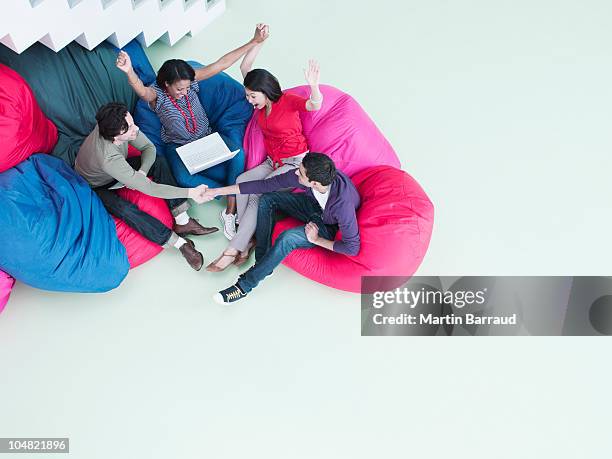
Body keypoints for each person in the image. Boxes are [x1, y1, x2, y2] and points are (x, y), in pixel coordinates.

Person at [115, 23, 270, 240]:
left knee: (238, 154)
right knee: (182, 179)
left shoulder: (191, 82)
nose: (185, 92)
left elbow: (221, 64)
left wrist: (254, 41)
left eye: (188, 87)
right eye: (180, 89)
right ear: (166, 84)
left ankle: (231, 210)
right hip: (179, 147)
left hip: (208, 138)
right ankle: (230, 198)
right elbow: (139, 88)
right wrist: (129, 71)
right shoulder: (156, 96)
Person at [205, 52, 323, 272]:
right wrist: (257, 42)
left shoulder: (286, 100)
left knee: (257, 194)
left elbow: (314, 105)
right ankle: (247, 237)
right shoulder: (261, 106)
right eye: (247, 95)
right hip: (273, 161)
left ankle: (232, 250)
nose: (249, 101)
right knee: (242, 180)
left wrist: (314, 86)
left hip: (295, 164)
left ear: (265, 91)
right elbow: (246, 67)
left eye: (252, 96)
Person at [75, 102, 217, 271]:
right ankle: (179, 244)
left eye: (132, 122)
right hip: (98, 185)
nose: (135, 130)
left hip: (117, 166)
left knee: (159, 161)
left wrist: (142, 171)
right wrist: (191, 192)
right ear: (115, 138)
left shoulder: (116, 124)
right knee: (125, 210)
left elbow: (149, 147)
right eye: (129, 129)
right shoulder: (108, 159)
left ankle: (183, 221)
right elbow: (151, 188)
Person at [202, 153, 361, 304]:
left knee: (287, 238)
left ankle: (243, 287)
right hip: (313, 206)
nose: (296, 172)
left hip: (326, 225)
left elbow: (352, 248)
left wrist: (317, 239)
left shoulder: (343, 206)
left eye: (301, 173)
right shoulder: (312, 176)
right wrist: (217, 191)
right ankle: (262, 261)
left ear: (314, 183)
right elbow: (263, 185)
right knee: (267, 199)